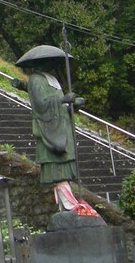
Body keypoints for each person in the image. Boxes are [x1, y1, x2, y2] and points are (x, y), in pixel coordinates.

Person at [13, 57, 96, 216]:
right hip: (51, 128)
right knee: (57, 169)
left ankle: (68, 203)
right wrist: (62, 99)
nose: (51, 65)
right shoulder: (36, 79)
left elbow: (61, 104)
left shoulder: (51, 79)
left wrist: (73, 103)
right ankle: (67, 203)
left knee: (65, 167)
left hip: (62, 126)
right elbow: (40, 104)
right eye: (48, 63)